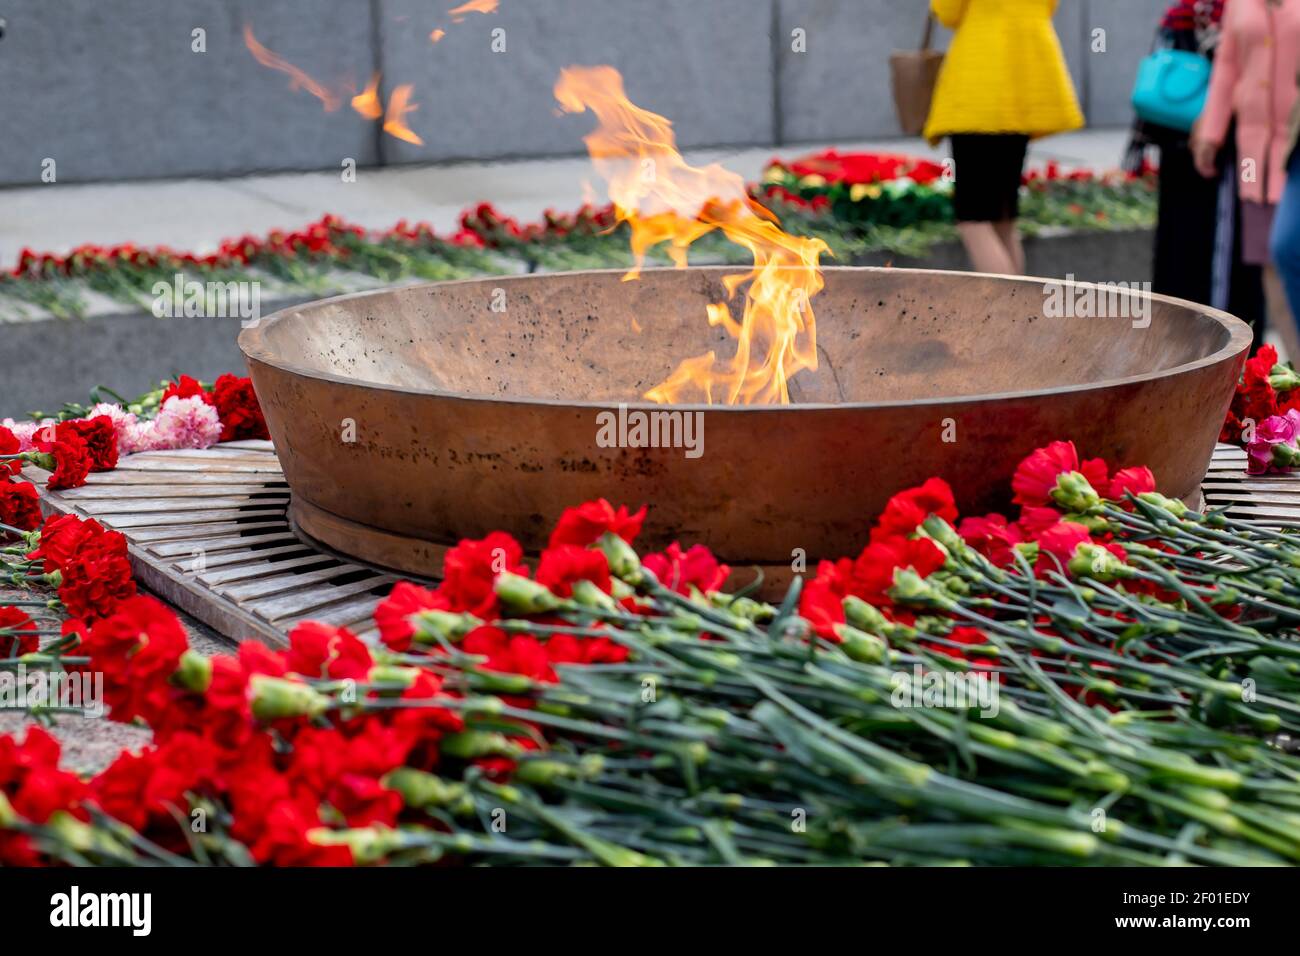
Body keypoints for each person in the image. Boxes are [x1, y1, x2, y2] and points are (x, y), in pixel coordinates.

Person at [924, 0, 1084, 275]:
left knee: (973, 220)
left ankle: (1007, 313)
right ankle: (1019, 313)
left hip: (978, 93)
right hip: (1024, 88)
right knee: (1004, 220)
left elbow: (947, 12)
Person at [1194, 0, 1300, 358]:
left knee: (1288, 250)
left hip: (1295, 148)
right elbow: (1227, 65)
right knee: (1270, 258)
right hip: (1254, 154)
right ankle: (1297, 367)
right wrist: (1212, 130)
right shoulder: (1239, 4)